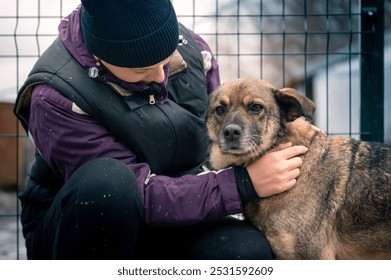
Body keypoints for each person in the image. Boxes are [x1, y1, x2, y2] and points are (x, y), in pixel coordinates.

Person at [14, 0, 307, 260]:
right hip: (87, 227)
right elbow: (139, 195)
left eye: (165, 60)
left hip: (178, 208)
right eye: (142, 70)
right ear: (101, 59)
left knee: (246, 251)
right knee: (110, 184)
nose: (159, 76)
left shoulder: (194, 52)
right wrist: (243, 184)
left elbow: (214, 137)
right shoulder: (55, 97)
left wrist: (280, 139)